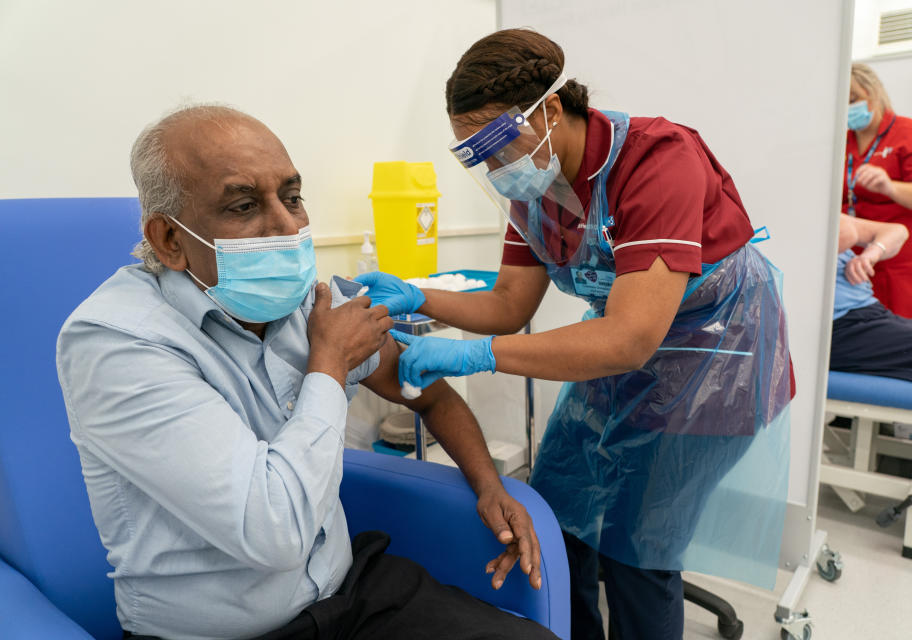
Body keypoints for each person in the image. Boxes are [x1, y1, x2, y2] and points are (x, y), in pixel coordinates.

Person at [56, 105, 557, 640]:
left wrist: (488, 486)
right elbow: (274, 532)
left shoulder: (303, 302)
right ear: (169, 241)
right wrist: (328, 364)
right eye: (245, 205)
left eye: (292, 197)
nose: (288, 224)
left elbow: (425, 392)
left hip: (349, 592)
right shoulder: (118, 343)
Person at [357, 28, 793, 640]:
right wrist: (416, 294)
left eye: (498, 145)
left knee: (636, 550)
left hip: (712, 359)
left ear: (552, 110)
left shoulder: (657, 159)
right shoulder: (535, 187)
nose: (494, 167)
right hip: (620, 353)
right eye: (476, 153)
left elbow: (629, 339)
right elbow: (510, 303)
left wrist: (474, 356)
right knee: (560, 515)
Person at [845, 63, 912, 326]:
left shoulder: (910, 133)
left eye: (854, 100)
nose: (848, 108)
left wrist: (890, 187)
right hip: (856, 256)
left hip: (905, 256)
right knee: (865, 332)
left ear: (874, 94)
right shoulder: (842, 141)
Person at [831, 214, 912, 409]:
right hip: (842, 329)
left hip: (868, 315)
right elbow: (844, 233)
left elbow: (897, 231)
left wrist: (871, 253)